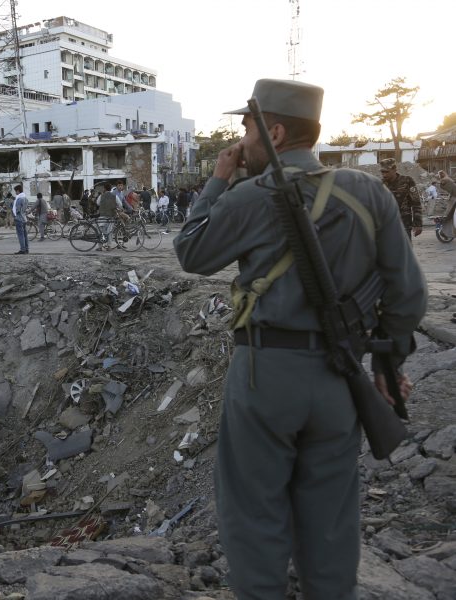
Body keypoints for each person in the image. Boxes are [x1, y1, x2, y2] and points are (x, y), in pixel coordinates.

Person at [174, 78, 427, 600]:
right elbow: (407, 293)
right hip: (339, 376)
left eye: (246, 128)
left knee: (254, 513)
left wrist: (218, 180)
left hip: (264, 374)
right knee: (331, 517)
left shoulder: (249, 195)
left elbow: (192, 253)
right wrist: (387, 367)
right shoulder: (369, 192)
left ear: (276, 130)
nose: (240, 142)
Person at [379, 158, 422, 241]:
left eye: (387, 171)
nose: (384, 175)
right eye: (382, 172)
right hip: (386, 225)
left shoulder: (407, 181)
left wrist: (418, 224)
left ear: (394, 169)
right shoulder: (380, 184)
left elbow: (416, 203)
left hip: (404, 224)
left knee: (405, 252)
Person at [96, 184, 121, 250]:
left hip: (102, 215)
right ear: (110, 189)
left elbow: (98, 203)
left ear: (104, 188)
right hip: (111, 216)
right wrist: (116, 207)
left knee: (101, 231)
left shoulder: (101, 196)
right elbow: (120, 204)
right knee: (109, 231)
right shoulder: (114, 196)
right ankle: (109, 246)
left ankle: (100, 246)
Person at [13, 184, 29, 254]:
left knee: (20, 235)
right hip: (24, 218)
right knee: (25, 235)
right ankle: (26, 249)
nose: (15, 193)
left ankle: (22, 249)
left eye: (15, 191)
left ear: (18, 191)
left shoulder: (19, 199)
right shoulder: (25, 198)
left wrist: (15, 215)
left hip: (19, 218)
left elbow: (17, 210)